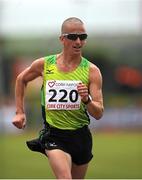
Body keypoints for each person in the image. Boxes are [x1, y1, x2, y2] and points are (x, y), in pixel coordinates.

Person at [12, 17, 104, 179]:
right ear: (62, 39)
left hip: (80, 136)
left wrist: (87, 99)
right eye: (72, 37)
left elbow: (98, 113)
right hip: (54, 135)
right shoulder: (45, 64)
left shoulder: (92, 71)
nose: (78, 41)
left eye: (82, 37)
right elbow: (21, 79)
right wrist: (20, 112)